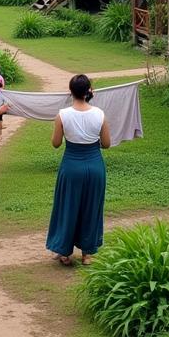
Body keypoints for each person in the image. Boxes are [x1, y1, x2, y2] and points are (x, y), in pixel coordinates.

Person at [46, 74, 111, 267]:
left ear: (70, 92)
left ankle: (65, 252)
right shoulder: (100, 114)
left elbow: (56, 143)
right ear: (89, 91)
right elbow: (106, 144)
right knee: (91, 207)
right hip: (94, 165)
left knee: (67, 206)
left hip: (72, 165)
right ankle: (87, 254)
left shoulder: (63, 115)